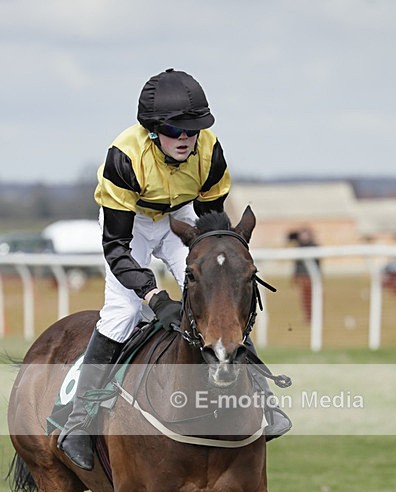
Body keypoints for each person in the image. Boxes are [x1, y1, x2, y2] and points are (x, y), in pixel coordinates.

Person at [58, 68, 289, 470]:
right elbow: (116, 247)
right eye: (173, 129)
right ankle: (79, 421)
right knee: (123, 313)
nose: (185, 138)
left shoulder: (210, 151)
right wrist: (154, 295)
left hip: (180, 218)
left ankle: (263, 399)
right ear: (151, 130)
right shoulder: (124, 158)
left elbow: (212, 222)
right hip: (128, 224)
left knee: (219, 293)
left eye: (192, 129)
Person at [287, 227, 321, 323]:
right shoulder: (299, 248)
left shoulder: (314, 247)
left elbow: (317, 264)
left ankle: (314, 316)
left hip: (310, 276)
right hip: (302, 276)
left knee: (313, 297)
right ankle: (308, 317)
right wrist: (295, 276)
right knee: (305, 298)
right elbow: (296, 265)